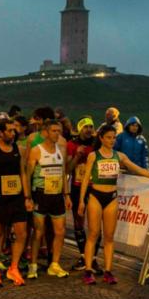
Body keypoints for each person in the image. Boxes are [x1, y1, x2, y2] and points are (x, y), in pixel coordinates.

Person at [78, 125, 149, 285]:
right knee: (93, 234)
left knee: (110, 237)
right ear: (101, 138)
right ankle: (88, 270)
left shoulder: (119, 156)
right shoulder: (93, 156)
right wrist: (81, 202)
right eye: (109, 137)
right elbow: (85, 180)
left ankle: (108, 271)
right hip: (95, 197)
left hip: (111, 197)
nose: (112, 140)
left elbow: (138, 170)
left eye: (114, 138)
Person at [0, 119, 32, 287]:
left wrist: (27, 197)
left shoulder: (19, 149)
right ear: (0, 132)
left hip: (16, 197)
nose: (13, 133)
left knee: (21, 233)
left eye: (14, 130)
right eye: (10, 130)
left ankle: (14, 267)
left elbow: (23, 173)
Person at [26, 120, 71, 279]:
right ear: (45, 132)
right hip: (40, 194)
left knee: (60, 231)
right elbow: (27, 175)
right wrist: (27, 197)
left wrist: (67, 195)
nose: (57, 134)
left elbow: (64, 173)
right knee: (38, 232)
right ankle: (33, 265)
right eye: (54, 131)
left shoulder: (61, 150)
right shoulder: (36, 151)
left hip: (57, 195)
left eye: (59, 131)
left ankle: (54, 264)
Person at [66, 117, 102, 273]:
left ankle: (92, 258)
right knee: (78, 223)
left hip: (95, 188)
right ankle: (82, 256)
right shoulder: (72, 145)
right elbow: (67, 169)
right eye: (85, 126)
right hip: (77, 188)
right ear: (80, 129)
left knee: (96, 226)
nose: (89, 129)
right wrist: (77, 157)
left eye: (91, 126)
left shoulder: (97, 145)